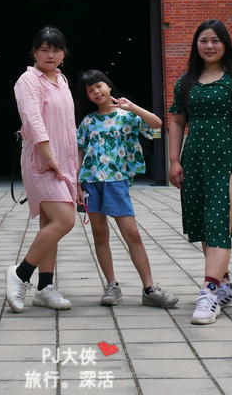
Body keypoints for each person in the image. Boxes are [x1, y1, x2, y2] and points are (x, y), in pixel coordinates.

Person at [168, 19, 232, 325]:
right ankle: (224, 286)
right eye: (203, 41)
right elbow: (177, 122)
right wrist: (174, 161)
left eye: (215, 41)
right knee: (207, 226)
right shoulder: (186, 81)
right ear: (196, 45)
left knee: (220, 223)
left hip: (228, 163)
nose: (209, 46)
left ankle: (208, 293)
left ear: (225, 44)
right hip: (194, 162)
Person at [75, 70, 179, 309]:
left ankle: (150, 288)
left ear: (109, 86)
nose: (95, 92)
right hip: (91, 182)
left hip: (117, 181)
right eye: (90, 91)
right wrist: (77, 184)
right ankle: (111, 285)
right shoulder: (88, 121)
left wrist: (133, 108)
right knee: (99, 234)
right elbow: (80, 152)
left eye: (98, 86)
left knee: (131, 233)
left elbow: (156, 125)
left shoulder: (127, 115)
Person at [5, 26, 82, 312]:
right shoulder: (28, 80)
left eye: (56, 49)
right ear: (34, 52)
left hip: (63, 164)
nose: (50, 55)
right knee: (65, 220)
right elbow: (33, 120)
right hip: (42, 163)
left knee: (50, 225)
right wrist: (49, 156)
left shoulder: (61, 80)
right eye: (44, 49)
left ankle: (45, 288)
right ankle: (20, 274)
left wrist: (75, 170)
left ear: (64, 53)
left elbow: (68, 128)